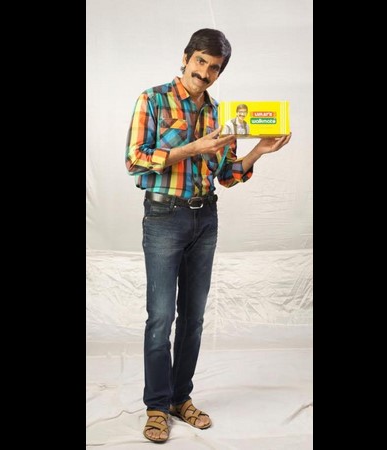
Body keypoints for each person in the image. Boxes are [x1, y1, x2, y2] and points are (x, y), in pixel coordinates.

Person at [125, 28, 291, 443]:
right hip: (163, 217)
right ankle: (156, 406)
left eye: (214, 67)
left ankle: (180, 398)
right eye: (200, 61)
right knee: (160, 318)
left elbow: (227, 175)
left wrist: (258, 151)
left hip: (206, 219)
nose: (204, 72)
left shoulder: (222, 113)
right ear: (186, 58)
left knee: (194, 319)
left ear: (219, 73)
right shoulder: (152, 99)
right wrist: (192, 148)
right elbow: (135, 160)